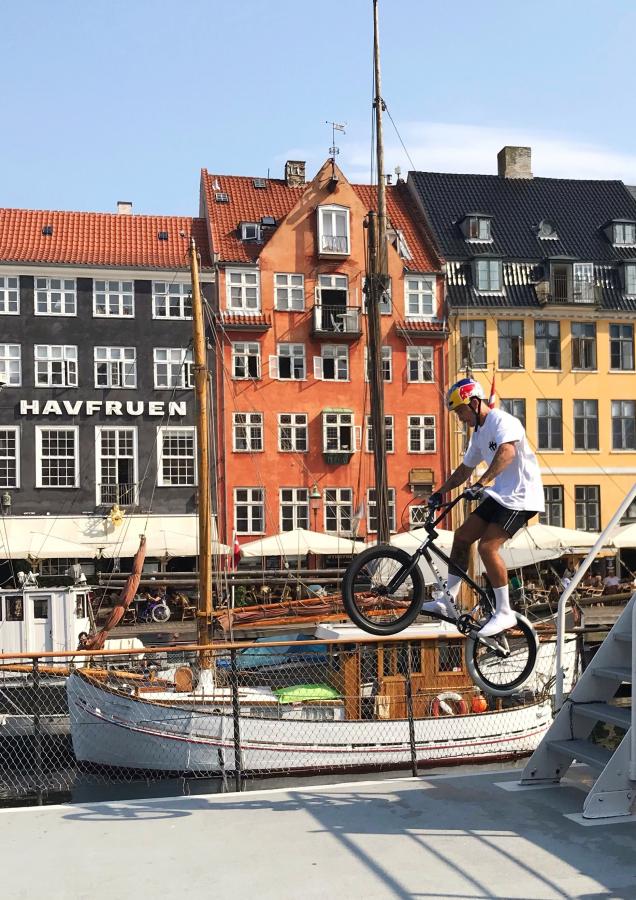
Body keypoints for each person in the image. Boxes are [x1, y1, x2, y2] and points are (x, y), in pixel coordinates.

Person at [422, 377, 544, 637]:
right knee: (462, 536)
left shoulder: (502, 421)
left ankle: (505, 612)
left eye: (461, 411)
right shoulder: (478, 434)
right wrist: (439, 493)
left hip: (522, 497)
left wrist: (482, 482)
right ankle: (448, 599)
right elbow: (464, 469)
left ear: (475, 404)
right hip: (500, 495)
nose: (460, 418)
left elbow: (507, 453)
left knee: (488, 547)